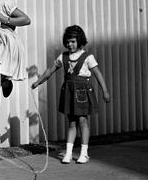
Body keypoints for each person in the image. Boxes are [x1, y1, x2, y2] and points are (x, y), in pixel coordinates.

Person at [31, 25, 110, 164]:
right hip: (69, 91)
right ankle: (68, 153)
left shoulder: (87, 57)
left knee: (82, 121)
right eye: (67, 42)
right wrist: (38, 82)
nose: (70, 44)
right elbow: (50, 70)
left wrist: (105, 91)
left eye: (73, 41)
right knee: (72, 123)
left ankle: (84, 153)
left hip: (82, 92)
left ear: (79, 41)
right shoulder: (63, 56)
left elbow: (97, 74)